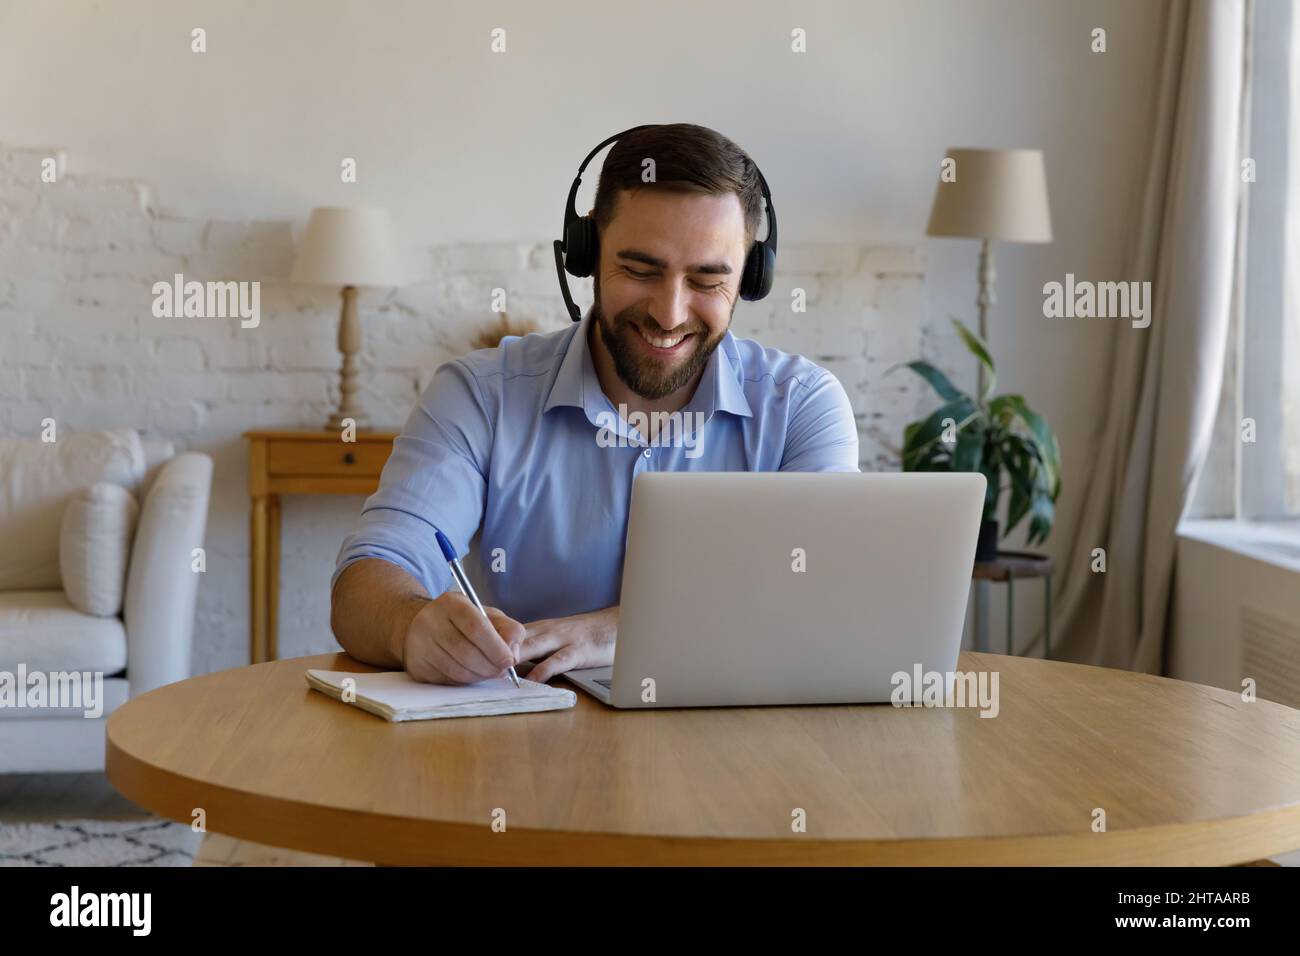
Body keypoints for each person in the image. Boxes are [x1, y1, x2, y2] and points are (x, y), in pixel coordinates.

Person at [330, 123, 858, 685]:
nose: (670, 313)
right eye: (639, 270)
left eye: (707, 280)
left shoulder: (802, 407)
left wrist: (615, 630)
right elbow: (365, 581)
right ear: (585, 255)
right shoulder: (481, 396)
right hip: (531, 749)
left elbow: (820, 601)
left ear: (751, 277)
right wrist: (410, 625)